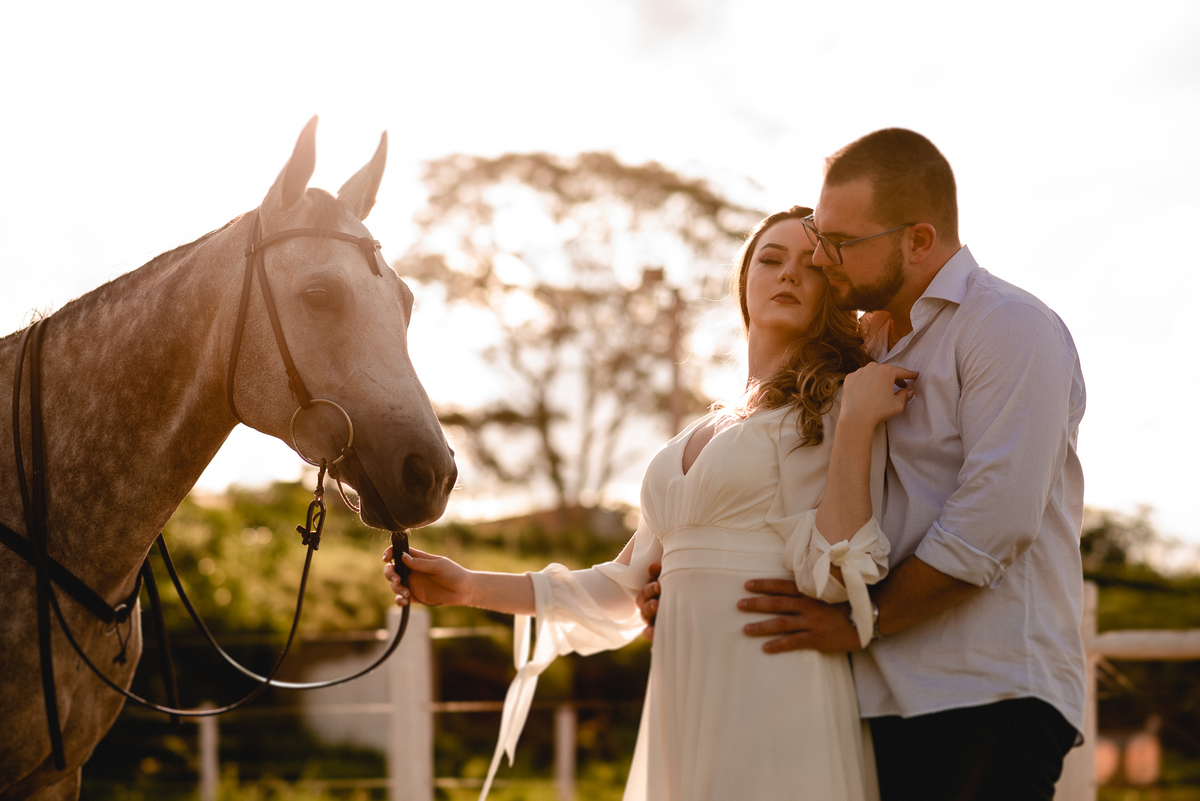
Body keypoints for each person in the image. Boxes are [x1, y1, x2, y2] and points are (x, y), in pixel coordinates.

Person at [384, 206, 917, 801]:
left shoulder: (837, 408)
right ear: (744, 283)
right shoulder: (698, 434)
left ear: (832, 292)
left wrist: (858, 424)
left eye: (809, 265)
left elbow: (837, 574)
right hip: (684, 691)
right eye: (771, 259)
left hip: (777, 683)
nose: (788, 274)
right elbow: (620, 587)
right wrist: (466, 587)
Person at [640, 129, 1087, 801]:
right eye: (822, 236)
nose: (822, 258)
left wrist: (862, 619)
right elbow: (796, 502)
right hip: (868, 697)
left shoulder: (1008, 327)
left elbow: (994, 522)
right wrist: (690, 580)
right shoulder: (864, 344)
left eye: (839, 244)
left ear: (919, 240)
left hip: (984, 693)